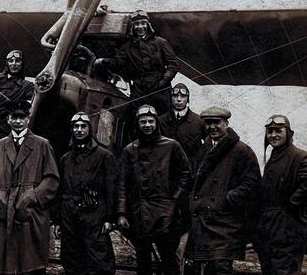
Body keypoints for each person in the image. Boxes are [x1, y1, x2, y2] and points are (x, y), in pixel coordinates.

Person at [0, 100, 59, 275]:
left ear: (28, 119)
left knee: (31, 263)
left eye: (21, 117)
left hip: (31, 212)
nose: (17, 121)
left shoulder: (42, 144)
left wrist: (33, 196)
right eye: (14, 117)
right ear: (8, 119)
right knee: (6, 263)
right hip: (5, 209)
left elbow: (52, 178)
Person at [184, 107, 261, 275]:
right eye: (208, 123)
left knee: (221, 268)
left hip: (225, 223)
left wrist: (226, 199)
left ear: (226, 123)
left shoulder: (241, 150)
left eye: (216, 122)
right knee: (206, 267)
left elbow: (252, 183)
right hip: (204, 220)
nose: (212, 127)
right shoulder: (204, 149)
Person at [117, 104, 192, 275]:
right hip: (139, 214)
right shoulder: (130, 150)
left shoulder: (171, 146)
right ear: (138, 125)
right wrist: (121, 213)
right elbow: (122, 182)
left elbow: (186, 174)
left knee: (168, 260)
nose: (147, 125)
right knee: (143, 262)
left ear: (156, 123)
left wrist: (174, 200)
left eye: (151, 121)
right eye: (143, 122)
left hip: (166, 215)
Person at [55, 112, 118, 275]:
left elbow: (112, 189)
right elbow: (60, 190)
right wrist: (57, 220)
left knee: (99, 259)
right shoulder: (65, 159)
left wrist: (110, 218)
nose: (79, 130)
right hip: (69, 214)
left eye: (83, 126)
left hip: (94, 215)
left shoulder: (105, 156)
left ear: (90, 129)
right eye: (76, 126)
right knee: (72, 259)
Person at [252, 115, 307, 275]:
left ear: (288, 133)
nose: (273, 135)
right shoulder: (274, 157)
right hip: (269, 229)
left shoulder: (300, 157)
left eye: (278, 130)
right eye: (269, 131)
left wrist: (290, 206)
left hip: (288, 230)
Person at [95, 10, 178, 114]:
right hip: (139, 90)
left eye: (143, 23)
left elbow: (173, 65)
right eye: (137, 24)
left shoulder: (161, 42)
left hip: (161, 89)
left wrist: (163, 81)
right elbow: (118, 62)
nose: (140, 27)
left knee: (165, 118)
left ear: (148, 25)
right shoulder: (127, 47)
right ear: (133, 27)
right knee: (138, 116)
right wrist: (103, 61)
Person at [159, 83, 206, 173]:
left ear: (188, 99)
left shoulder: (199, 121)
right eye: (175, 96)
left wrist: (199, 162)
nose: (179, 99)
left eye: (183, 96)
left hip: (191, 170)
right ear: (171, 98)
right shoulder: (161, 121)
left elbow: (209, 143)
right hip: (167, 170)